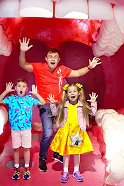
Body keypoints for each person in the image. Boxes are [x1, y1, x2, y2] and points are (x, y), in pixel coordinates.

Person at [19, 37, 101, 172]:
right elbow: (24, 65)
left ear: (58, 60)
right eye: (50, 56)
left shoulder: (62, 70)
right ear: (46, 58)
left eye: (55, 57)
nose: (52, 59)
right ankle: (43, 158)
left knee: (63, 130)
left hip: (60, 105)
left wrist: (89, 67)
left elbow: (78, 72)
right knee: (48, 133)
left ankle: (58, 152)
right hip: (45, 104)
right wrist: (22, 52)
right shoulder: (39, 67)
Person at [0, 78, 45, 180]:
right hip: (15, 129)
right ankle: (17, 169)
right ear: (15, 88)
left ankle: (27, 169)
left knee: (26, 148)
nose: (21, 88)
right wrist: (6, 91)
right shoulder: (12, 99)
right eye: (19, 86)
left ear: (26, 88)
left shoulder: (29, 99)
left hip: (26, 129)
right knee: (16, 149)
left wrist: (36, 94)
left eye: (23, 86)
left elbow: (43, 102)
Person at [48, 83, 98, 183]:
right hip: (66, 131)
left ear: (79, 93)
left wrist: (93, 102)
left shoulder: (82, 105)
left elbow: (92, 112)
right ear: (67, 95)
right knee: (66, 152)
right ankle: (65, 171)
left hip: (77, 132)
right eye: (70, 92)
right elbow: (55, 113)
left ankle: (76, 171)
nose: (72, 93)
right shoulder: (64, 105)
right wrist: (52, 104)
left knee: (76, 152)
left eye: (74, 91)